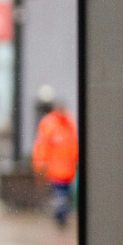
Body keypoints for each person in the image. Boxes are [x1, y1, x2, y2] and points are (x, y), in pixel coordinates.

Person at [31, 86, 79, 226]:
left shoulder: (69, 123)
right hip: (56, 170)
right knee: (60, 195)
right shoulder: (50, 124)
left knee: (63, 195)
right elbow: (43, 146)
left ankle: (61, 216)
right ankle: (60, 217)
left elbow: (74, 144)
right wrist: (40, 165)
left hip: (69, 171)